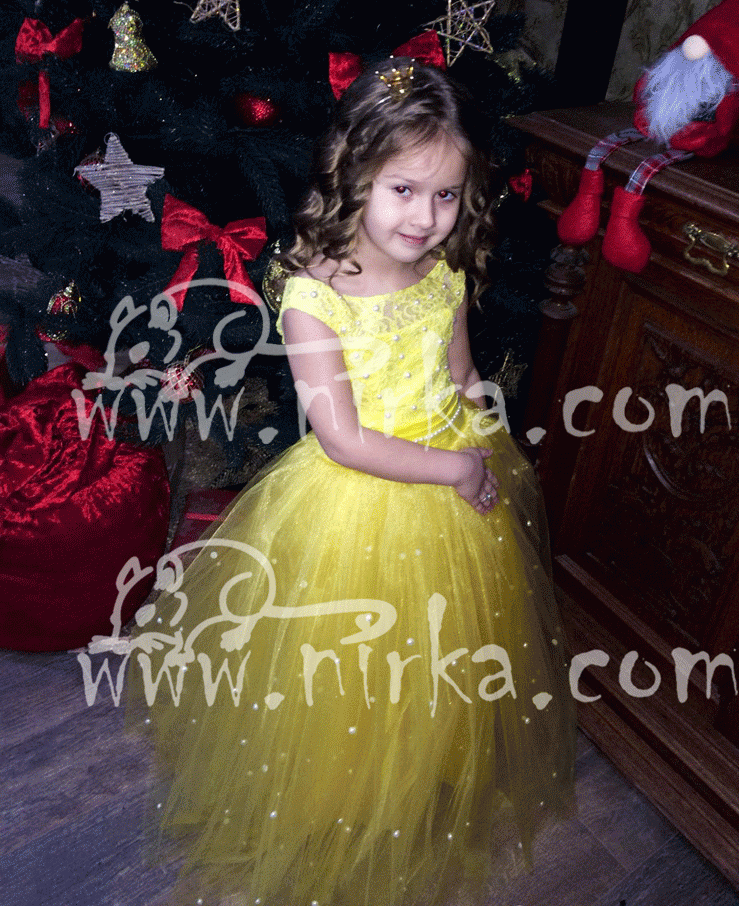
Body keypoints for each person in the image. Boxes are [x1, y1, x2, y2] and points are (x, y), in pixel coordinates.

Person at [128, 58, 575, 906]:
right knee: (348, 666)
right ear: (354, 174)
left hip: (455, 486)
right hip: (358, 503)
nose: (426, 217)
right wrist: (454, 467)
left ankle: (416, 765)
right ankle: (339, 793)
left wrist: (485, 439)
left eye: (447, 196)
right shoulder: (314, 294)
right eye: (403, 190)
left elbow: (461, 373)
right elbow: (341, 438)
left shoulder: (443, 274)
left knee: (438, 651)